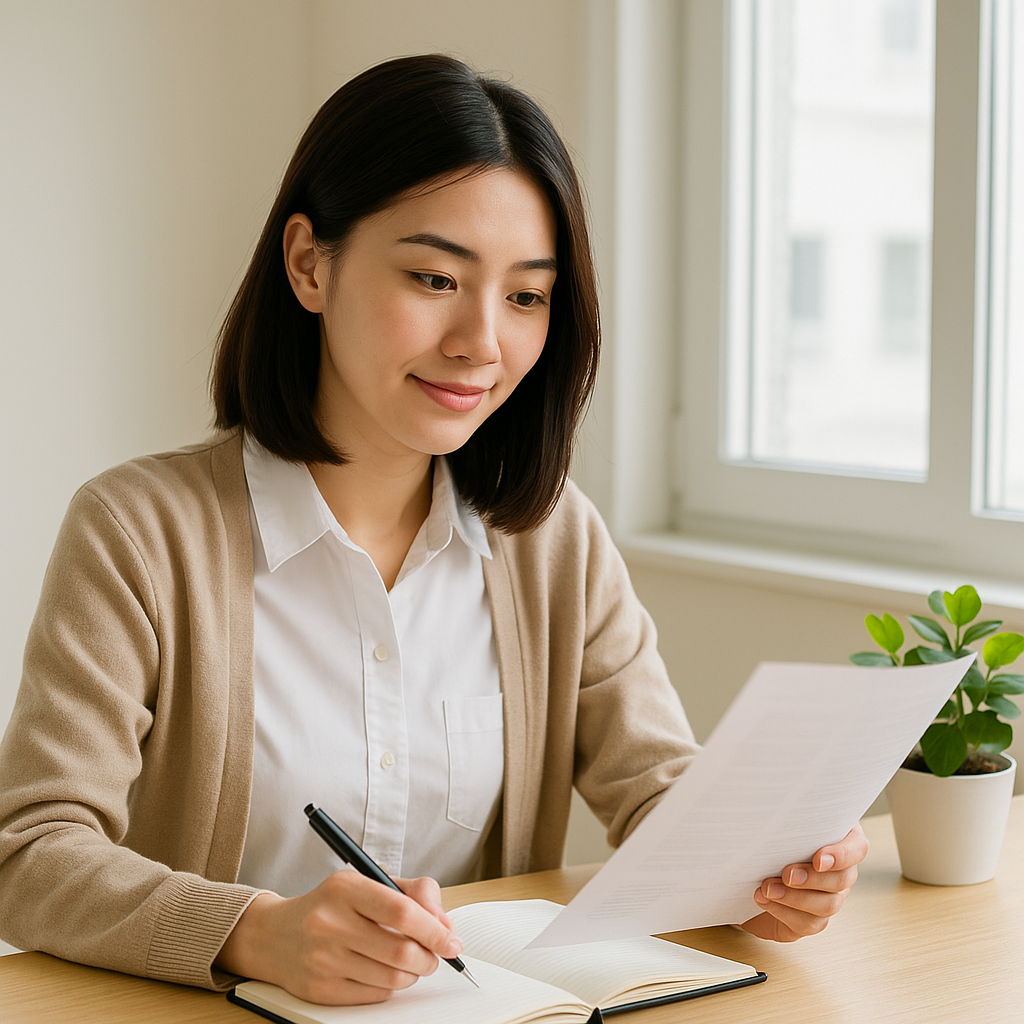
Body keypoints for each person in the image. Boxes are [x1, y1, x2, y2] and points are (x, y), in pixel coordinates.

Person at [0, 54, 867, 1006]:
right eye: (433, 277)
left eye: (527, 296)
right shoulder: (139, 533)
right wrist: (257, 933)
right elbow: (31, 851)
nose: (482, 343)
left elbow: (659, 789)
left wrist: (772, 867)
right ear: (308, 264)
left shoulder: (551, 540)